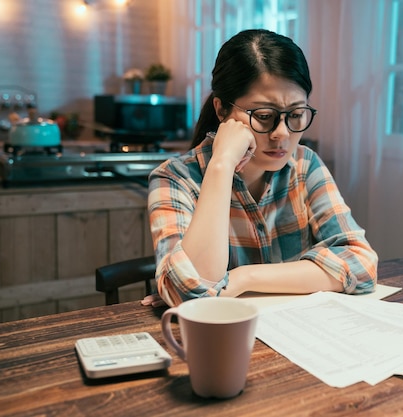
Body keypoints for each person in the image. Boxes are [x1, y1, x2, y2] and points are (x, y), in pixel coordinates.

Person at [144, 29, 378, 307]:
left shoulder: (304, 164)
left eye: (295, 115)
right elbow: (190, 293)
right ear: (221, 110)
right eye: (264, 116)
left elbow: (362, 264)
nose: (282, 133)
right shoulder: (175, 179)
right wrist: (221, 165)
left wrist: (243, 278)